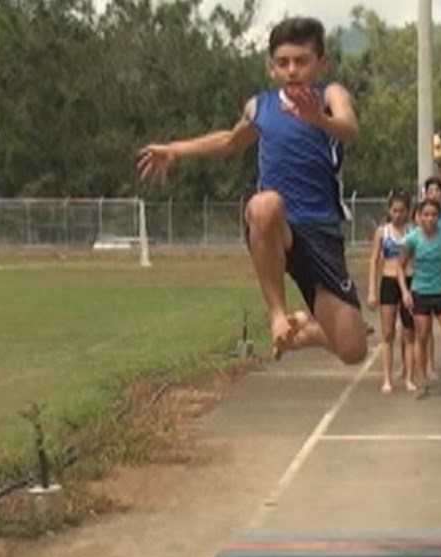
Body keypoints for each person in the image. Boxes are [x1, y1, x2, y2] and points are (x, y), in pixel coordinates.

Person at [137, 17, 366, 364]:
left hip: (321, 230)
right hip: (278, 228)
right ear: (271, 67)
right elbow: (230, 141)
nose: (292, 70)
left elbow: (349, 129)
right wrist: (175, 150)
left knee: (353, 350)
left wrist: (317, 117)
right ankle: (277, 314)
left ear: (322, 63)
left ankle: (306, 329)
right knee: (264, 204)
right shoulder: (260, 106)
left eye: (301, 61)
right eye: (283, 62)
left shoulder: (331, 95)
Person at [397, 199, 441, 399]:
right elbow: (400, 266)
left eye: (433, 215)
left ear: (438, 217)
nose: (429, 218)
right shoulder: (412, 239)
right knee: (422, 337)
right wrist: (405, 292)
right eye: (425, 214)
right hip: (421, 292)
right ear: (419, 216)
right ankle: (423, 379)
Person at [367, 192, 416, 393]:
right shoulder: (382, 232)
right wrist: (371, 290)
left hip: (409, 280)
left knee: (409, 331)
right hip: (388, 281)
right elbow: (373, 260)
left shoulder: (412, 232)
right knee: (388, 333)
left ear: (407, 212)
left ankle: (409, 376)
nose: (397, 215)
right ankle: (386, 378)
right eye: (394, 210)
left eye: (401, 211)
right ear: (389, 211)